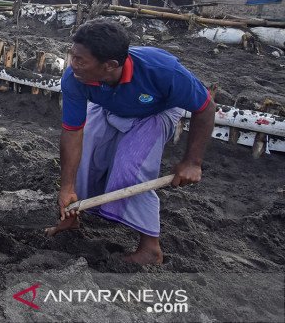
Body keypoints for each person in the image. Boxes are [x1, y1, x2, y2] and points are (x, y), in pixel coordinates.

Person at [46, 19, 216, 265]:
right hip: (108, 106)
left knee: (131, 168)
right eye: (73, 56)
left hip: (156, 112)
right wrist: (66, 187)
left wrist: (192, 161)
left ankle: (150, 248)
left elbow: (206, 107)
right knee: (86, 152)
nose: (73, 64)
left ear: (110, 65)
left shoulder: (163, 70)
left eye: (81, 60)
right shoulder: (75, 77)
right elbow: (73, 132)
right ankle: (70, 218)